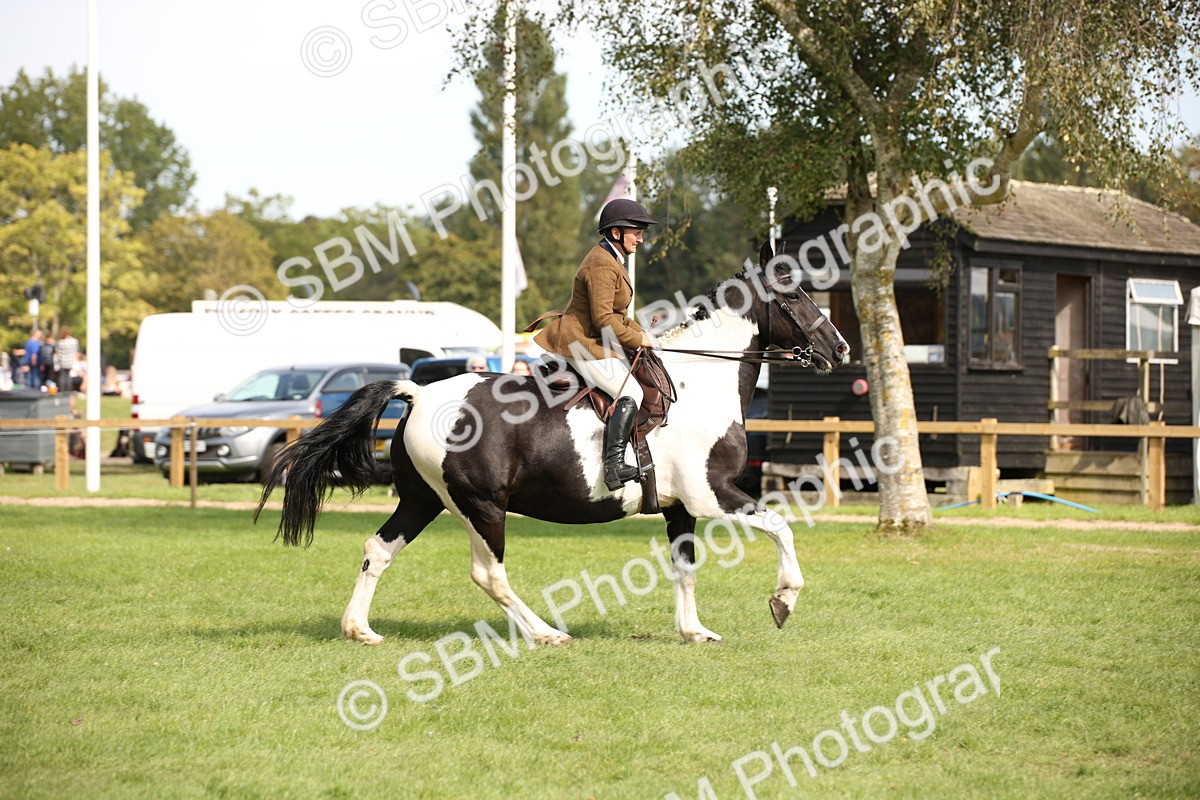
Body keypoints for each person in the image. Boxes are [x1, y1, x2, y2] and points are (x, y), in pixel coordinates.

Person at [531, 198, 657, 490]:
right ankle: (613, 467)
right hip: (580, 342)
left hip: (592, 339)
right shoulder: (601, 264)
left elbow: (618, 315)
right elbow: (603, 320)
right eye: (636, 231)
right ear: (616, 233)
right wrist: (639, 338)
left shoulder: (611, 259)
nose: (641, 238)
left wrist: (645, 335)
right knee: (632, 392)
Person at [56, 328, 79, 394]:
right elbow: (76, 350)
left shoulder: (60, 342)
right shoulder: (73, 341)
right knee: (68, 376)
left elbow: (58, 352)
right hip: (70, 361)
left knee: (62, 376)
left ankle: (62, 389)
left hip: (62, 361)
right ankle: (68, 389)